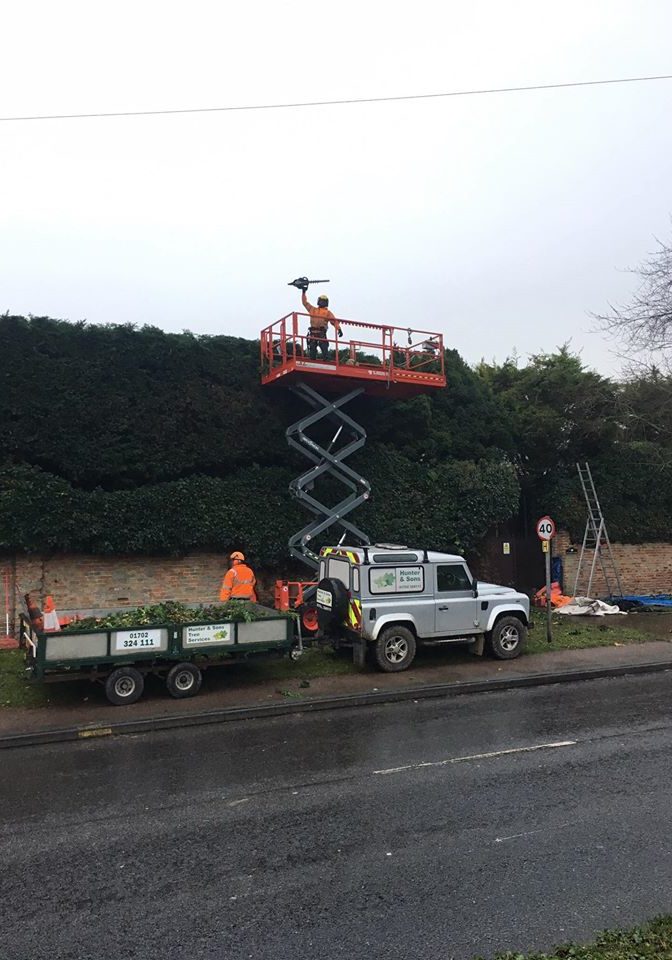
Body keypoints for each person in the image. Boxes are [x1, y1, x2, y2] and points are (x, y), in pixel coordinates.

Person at [301, 289, 342, 361]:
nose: (322, 302)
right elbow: (305, 302)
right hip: (313, 334)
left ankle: (326, 361)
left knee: (324, 350)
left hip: (321, 334)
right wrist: (303, 292)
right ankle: (313, 361)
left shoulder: (327, 312)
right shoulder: (313, 309)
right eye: (321, 300)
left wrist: (339, 329)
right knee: (312, 350)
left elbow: (334, 321)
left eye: (324, 301)